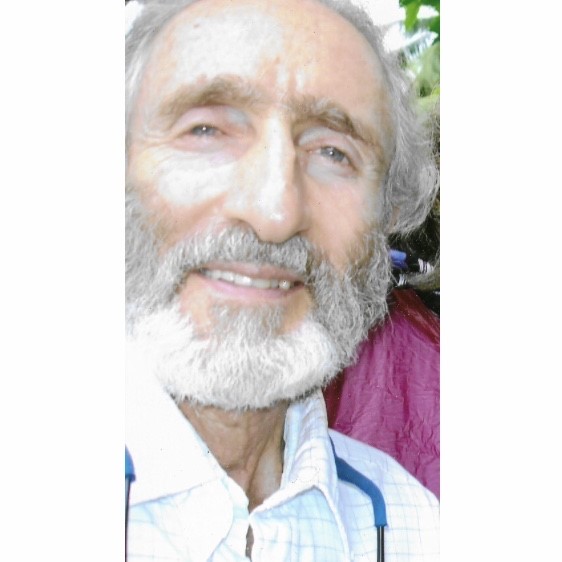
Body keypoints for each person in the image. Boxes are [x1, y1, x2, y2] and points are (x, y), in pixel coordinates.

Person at [125, 0, 440, 560]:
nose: (274, 212)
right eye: (206, 129)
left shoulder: (418, 526)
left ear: (386, 216)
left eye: (332, 152)